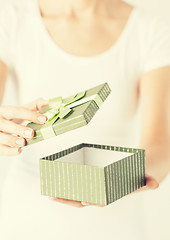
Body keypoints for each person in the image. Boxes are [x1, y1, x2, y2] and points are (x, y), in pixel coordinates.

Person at [0, 0, 169, 239]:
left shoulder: (150, 29)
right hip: (26, 219)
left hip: (116, 223)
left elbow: (160, 145)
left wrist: (123, 178)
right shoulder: (11, 21)